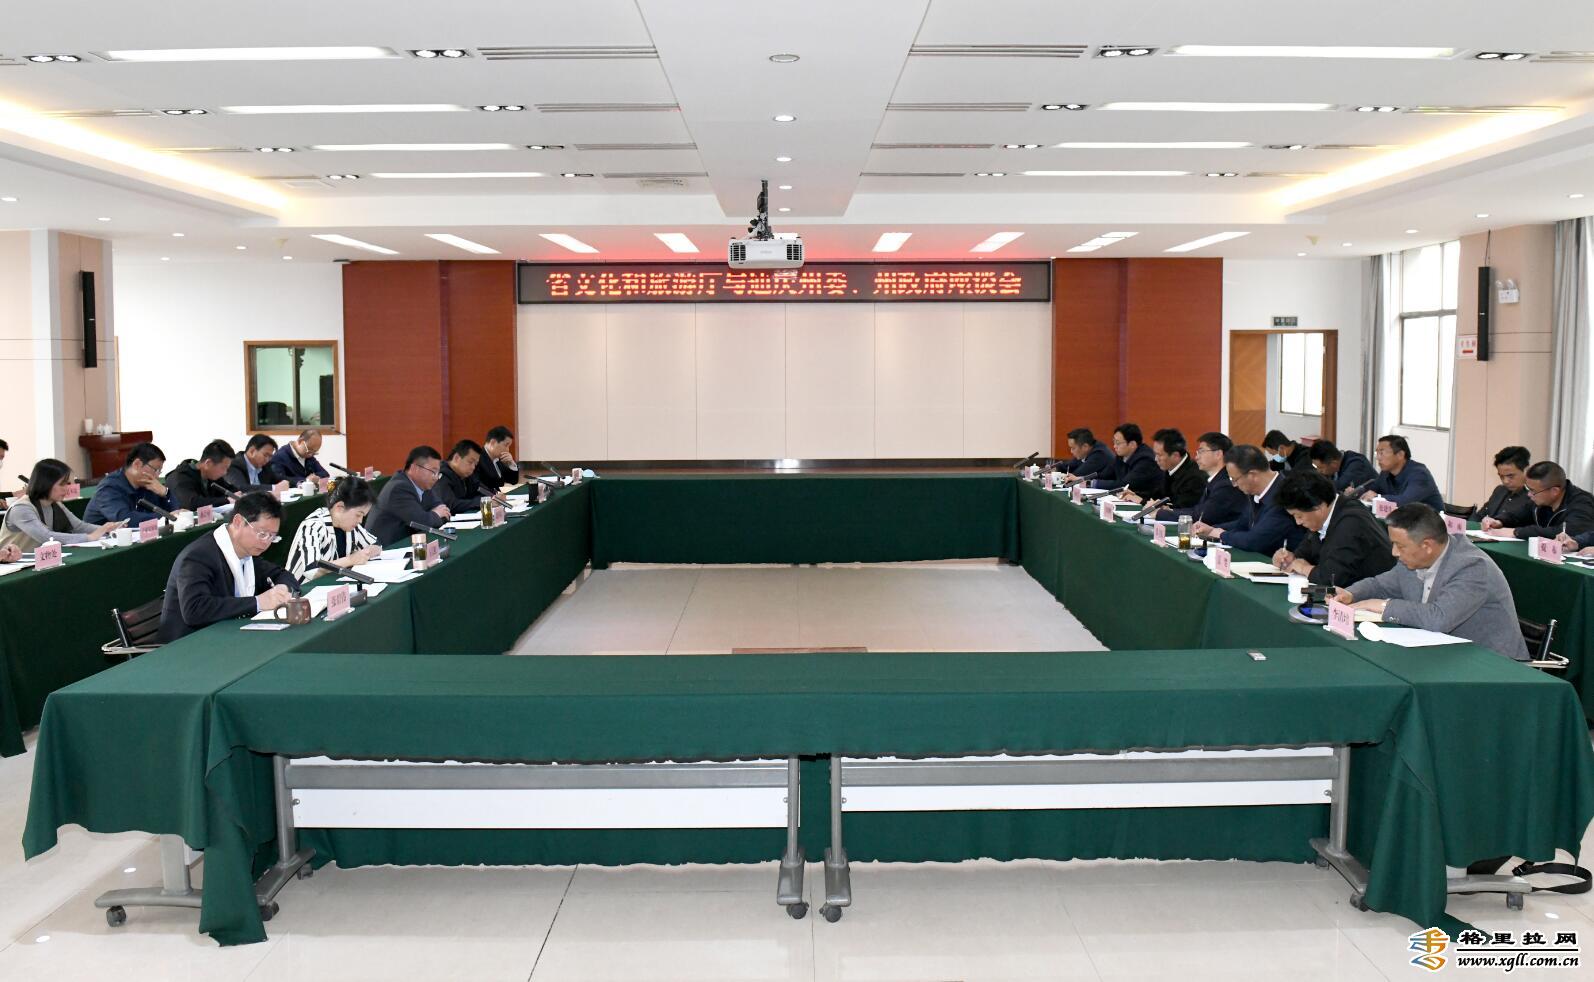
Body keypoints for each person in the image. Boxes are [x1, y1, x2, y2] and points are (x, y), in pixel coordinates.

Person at [1336, 503, 1529, 662]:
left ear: (1427, 545)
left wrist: (1383, 606)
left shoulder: (1472, 567)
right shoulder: (1413, 559)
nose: (1394, 552)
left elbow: (1438, 618)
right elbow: (1380, 585)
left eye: (1400, 546)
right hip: (1447, 656)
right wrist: (1351, 594)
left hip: (1492, 665)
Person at [156, 492, 301, 642]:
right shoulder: (197, 556)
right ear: (238, 522)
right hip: (187, 643)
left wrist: (283, 589)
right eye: (262, 534)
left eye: (272, 536)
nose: (266, 543)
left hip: (224, 636)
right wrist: (258, 602)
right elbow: (195, 610)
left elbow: (281, 574)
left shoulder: (248, 553)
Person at [1271, 469, 1395, 587]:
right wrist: (1289, 558)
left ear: (1318, 506)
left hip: (1378, 595)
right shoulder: (1323, 517)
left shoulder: (1351, 521)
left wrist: (1303, 568)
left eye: (1299, 516)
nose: (1297, 522)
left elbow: (1332, 578)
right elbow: (1304, 553)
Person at [1193, 444, 1305, 554]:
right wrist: (1211, 529)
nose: (1234, 485)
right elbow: (1243, 524)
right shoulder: (1254, 492)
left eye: (1235, 479)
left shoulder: (1284, 495)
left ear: (1252, 475)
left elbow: (1255, 541)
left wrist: (1222, 535)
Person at [0, 458, 125, 552]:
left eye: (68, 484)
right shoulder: (22, 508)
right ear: (46, 483)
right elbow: (47, 537)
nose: (67, 489)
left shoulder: (55, 504)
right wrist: (90, 537)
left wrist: (107, 529)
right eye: (62, 484)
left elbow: (79, 526)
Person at [284, 476, 383, 580]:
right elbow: (311, 570)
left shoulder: (350, 525)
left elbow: (376, 544)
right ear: (339, 507)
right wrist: (350, 560)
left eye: (363, 516)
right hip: (301, 588)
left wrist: (367, 552)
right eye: (358, 515)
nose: (360, 521)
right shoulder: (313, 526)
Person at [1145, 432, 1248, 526]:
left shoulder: (1225, 484)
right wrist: (1169, 511)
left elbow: (1201, 517)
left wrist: (1161, 513)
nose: (1197, 457)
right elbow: (1197, 510)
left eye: (1201, 451)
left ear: (1218, 454)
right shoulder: (1216, 480)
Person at [1483, 460, 1594, 541]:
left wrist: (1516, 532)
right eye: (1528, 489)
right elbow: (1517, 515)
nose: (1529, 494)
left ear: (1554, 491)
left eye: (1533, 491)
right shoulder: (1541, 500)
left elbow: (1568, 532)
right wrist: (1499, 521)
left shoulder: (1583, 503)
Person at [365, 445, 451, 544]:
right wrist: (436, 514)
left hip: (407, 543)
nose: (435, 478)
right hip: (383, 548)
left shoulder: (424, 485)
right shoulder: (398, 489)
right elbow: (421, 523)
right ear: (415, 468)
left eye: (438, 473)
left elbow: (444, 511)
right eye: (433, 472)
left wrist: (433, 516)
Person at [84, 442, 178, 525]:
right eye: (155, 470)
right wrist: (165, 517)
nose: (157, 476)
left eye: (159, 471)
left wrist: (166, 492)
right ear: (137, 464)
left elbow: (176, 513)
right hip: (102, 538)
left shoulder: (148, 485)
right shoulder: (109, 488)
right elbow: (126, 519)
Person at [1121, 428, 1203, 510]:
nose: (1156, 459)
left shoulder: (1194, 478)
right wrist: (1135, 495)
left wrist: (1142, 501)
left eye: (1159, 455)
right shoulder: (1171, 467)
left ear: (1175, 455)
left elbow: (1178, 509)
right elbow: (1158, 495)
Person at [1362, 435, 1444, 511]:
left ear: (1400, 455)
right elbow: (1371, 491)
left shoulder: (1420, 474)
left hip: (1428, 520)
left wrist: (1376, 497)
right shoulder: (1385, 473)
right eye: (1377, 453)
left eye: (1382, 453)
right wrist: (1359, 493)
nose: (1378, 458)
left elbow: (1405, 502)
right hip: (1402, 519)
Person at [1089, 423, 1163, 498]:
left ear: (1132, 444)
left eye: (1118, 443)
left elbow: (1125, 485)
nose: (1114, 446)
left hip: (1146, 501)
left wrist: (1093, 484)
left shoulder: (1145, 460)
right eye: (1114, 442)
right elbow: (1105, 475)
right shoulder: (1121, 456)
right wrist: (1087, 480)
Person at [167, 439, 238, 511]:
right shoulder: (180, 477)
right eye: (223, 468)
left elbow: (230, 490)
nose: (225, 472)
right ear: (208, 463)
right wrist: (226, 500)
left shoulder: (211, 476)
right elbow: (192, 503)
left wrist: (238, 495)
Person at [436, 440, 502, 514]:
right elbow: (452, 505)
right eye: (470, 462)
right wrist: (482, 502)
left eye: (475, 464)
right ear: (456, 458)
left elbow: (480, 489)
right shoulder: (442, 475)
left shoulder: (464, 474)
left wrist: (495, 496)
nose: (473, 467)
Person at [1476, 446, 1534, 526]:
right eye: (1501, 476)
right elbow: (1479, 516)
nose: (1505, 481)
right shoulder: (1499, 491)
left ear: (1526, 470)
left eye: (1510, 476)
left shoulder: (1535, 496)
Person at [1308, 440, 1378, 496]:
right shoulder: (1333, 467)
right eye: (1316, 466)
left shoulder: (1357, 464)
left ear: (1334, 463)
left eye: (1321, 468)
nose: (1318, 471)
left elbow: (1336, 489)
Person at [475, 426, 520, 492]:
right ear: (492, 443)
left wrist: (511, 464)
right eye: (506, 445)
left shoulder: (498, 459)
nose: (507, 450)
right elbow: (479, 487)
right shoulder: (477, 459)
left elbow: (513, 481)